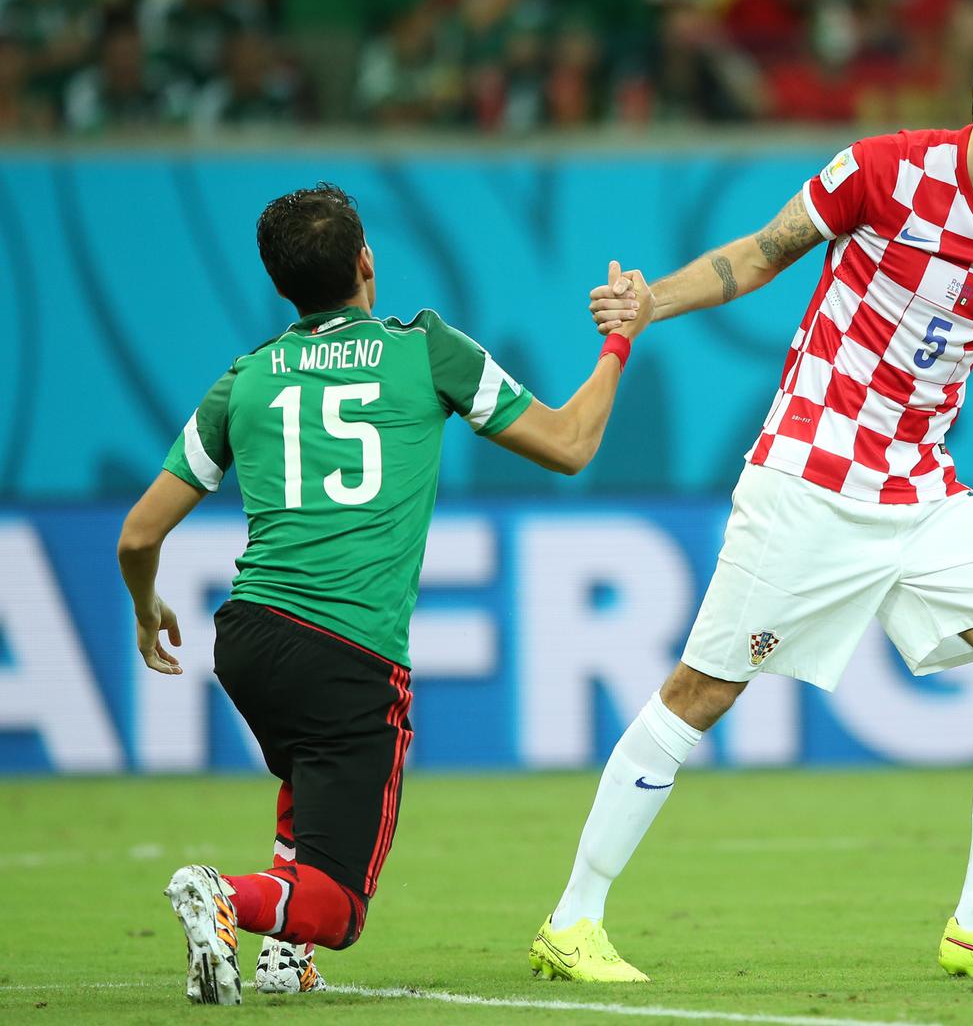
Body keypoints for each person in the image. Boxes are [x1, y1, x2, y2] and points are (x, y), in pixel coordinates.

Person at [531, 13, 973, 983]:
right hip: (812, 476)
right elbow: (760, 253)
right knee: (702, 692)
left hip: (920, 485)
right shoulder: (881, 169)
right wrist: (651, 303)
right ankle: (572, 919)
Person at [117, 183, 652, 1004]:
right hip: (348, 650)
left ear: (281, 285)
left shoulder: (244, 379)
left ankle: (285, 956)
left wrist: (146, 603)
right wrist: (619, 342)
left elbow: (137, 537)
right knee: (340, 903)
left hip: (248, 637)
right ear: (367, 261)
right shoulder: (426, 351)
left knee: (311, 769)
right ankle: (226, 897)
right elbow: (571, 444)